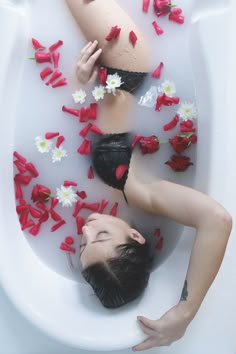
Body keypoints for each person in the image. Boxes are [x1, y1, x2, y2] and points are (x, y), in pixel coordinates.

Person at [66, 0, 232, 350]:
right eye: (99, 238)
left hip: (111, 74)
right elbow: (217, 220)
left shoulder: (124, 198)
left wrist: (82, 85)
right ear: (137, 238)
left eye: (82, 244)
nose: (85, 228)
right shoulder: (140, 194)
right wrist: (187, 311)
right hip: (125, 63)